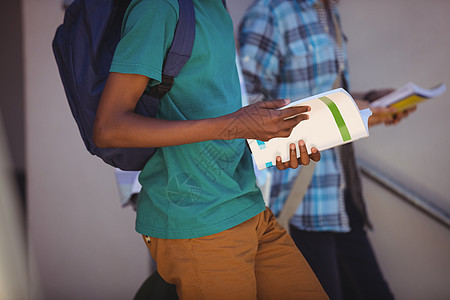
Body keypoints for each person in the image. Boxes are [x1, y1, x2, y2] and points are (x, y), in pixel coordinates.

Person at [93, 0, 328, 298]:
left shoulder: (216, 6)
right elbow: (108, 128)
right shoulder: (159, 7)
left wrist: (271, 140)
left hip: (247, 204)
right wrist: (236, 125)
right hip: (197, 217)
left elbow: (213, 108)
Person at [239, 0, 416, 299]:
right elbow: (248, 105)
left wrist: (372, 100)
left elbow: (324, 89)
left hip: (340, 191)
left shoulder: (328, 11)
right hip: (298, 197)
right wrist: (360, 109)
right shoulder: (270, 12)